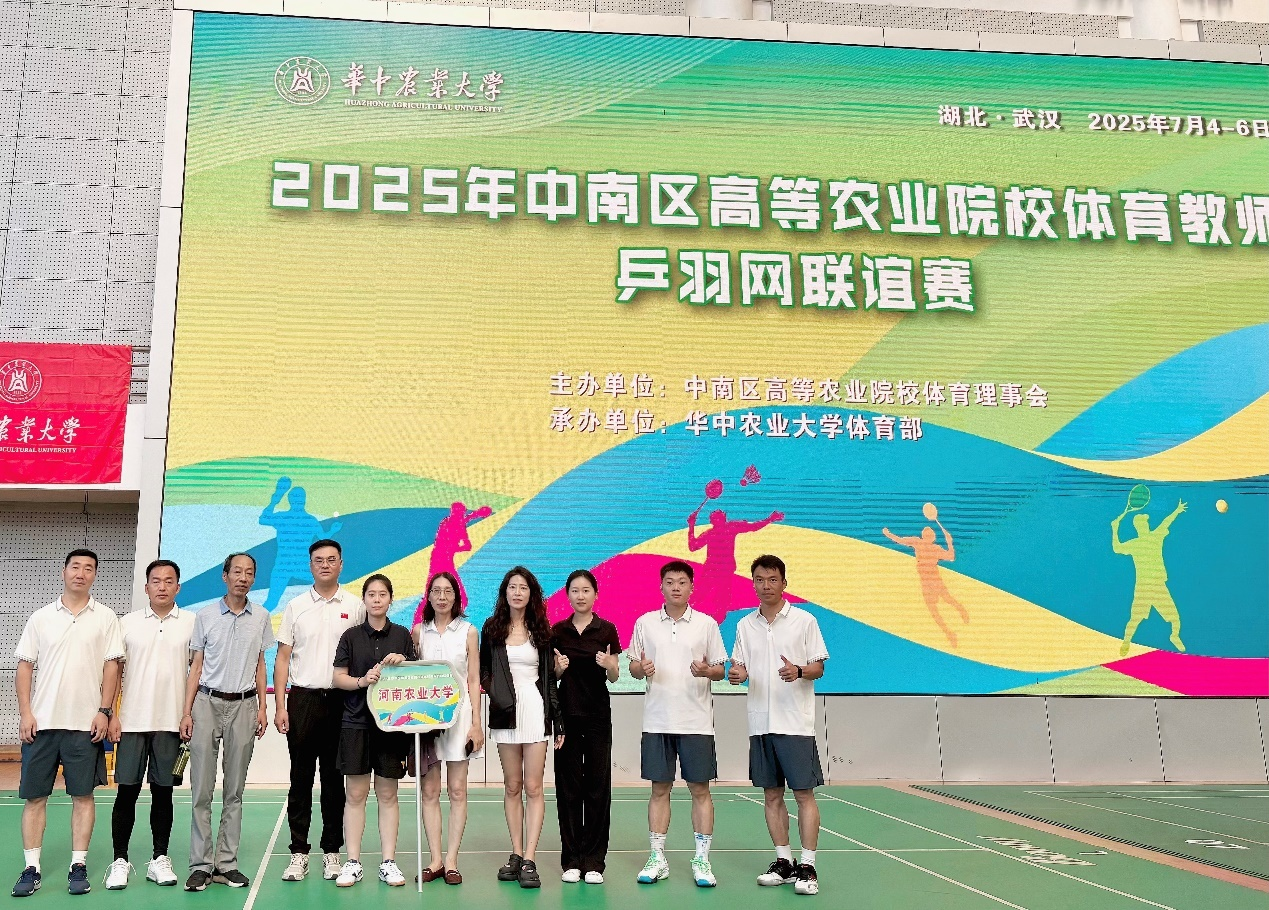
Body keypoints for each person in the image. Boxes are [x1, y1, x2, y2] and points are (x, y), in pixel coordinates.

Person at [12, 550, 124, 898]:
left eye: (89, 568)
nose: (81, 573)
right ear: (64, 571)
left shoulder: (106, 617)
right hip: (42, 724)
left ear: (95, 575)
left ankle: (79, 865)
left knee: (83, 796)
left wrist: (104, 711)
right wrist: (26, 713)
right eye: (75, 566)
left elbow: (112, 667)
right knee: (35, 798)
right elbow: (25, 666)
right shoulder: (41, 617)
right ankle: (31, 868)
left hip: (86, 725)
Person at [728, 555, 829, 896]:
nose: (766, 585)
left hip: (795, 722)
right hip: (760, 722)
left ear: (784, 583)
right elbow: (740, 668)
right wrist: (737, 674)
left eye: (773, 579)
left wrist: (798, 671)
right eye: (760, 579)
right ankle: (784, 861)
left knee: (803, 794)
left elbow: (818, 668)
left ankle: (808, 865)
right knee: (771, 794)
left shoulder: (804, 621)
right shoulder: (745, 625)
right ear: (753, 584)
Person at [627, 560, 727, 888]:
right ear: (661, 587)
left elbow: (720, 670)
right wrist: (641, 669)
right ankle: (657, 858)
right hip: (657, 720)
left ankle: (702, 860)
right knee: (659, 789)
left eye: (682, 582)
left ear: (691, 587)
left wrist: (707, 671)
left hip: (696, 722)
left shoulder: (707, 624)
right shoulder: (644, 623)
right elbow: (634, 668)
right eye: (669, 582)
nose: (675, 587)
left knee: (700, 790)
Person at [275, 539, 365, 883]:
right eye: (318, 560)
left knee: (333, 780)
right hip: (303, 701)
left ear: (341, 564)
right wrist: (280, 705)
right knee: (300, 779)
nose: (325, 565)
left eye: (331, 560)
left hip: (343, 703)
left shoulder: (356, 607)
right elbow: (283, 658)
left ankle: (332, 852)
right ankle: (298, 852)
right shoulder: (295, 606)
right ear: (310, 565)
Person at [181, 553, 272, 892]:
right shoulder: (205, 616)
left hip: (245, 706)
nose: (243, 578)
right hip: (206, 703)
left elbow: (261, 665)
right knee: (201, 790)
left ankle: (226, 864)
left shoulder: (261, 616)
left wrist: (263, 707)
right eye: (237, 572)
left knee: (234, 791)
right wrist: (186, 712)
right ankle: (201, 865)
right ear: (225, 576)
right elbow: (196, 667)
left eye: (249, 573)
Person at [105, 559, 196, 890]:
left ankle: (160, 858)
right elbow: (115, 672)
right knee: (126, 792)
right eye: (156, 581)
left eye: (169, 581)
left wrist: (188, 713)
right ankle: (120, 861)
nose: (162, 586)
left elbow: (197, 673)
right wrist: (112, 714)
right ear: (146, 587)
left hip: (171, 724)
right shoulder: (127, 623)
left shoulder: (191, 623)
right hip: (131, 723)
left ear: (178, 587)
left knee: (163, 793)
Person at [331, 574, 422, 888]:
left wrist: (404, 661)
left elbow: (414, 679)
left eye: (383, 594)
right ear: (364, 599)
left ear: (390, 599)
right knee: (355, 795)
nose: (377, 599)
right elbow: (338, 678)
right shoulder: (350, 636)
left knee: (387, 794)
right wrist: (362, 681)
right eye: (371, 594)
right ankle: (353, 862)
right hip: (356, 723)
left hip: (391, 727)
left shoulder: (402, 636)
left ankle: (388, 863)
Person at [479, 567, 564, 890]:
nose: (517, 592)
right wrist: (496, 692)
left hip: (535, 710)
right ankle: (515, 853)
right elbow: (484, 669)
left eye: (523, 588)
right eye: (512, 587)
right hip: (505, 713)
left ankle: (530, 858)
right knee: (512, 786)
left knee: (534, 787)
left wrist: (558, 720)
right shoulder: (492, 629)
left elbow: (549, 681)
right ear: (505, 592)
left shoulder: (542, 630)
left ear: (532, 594)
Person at [550, 570, 621, 885]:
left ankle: (594, 862)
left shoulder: (607, 630)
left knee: (597, 788)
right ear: (567, 595)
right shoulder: (557, 631)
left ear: (595, 594)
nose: (580, 595)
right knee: (568, 789)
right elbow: (551, 677)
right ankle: (571, 860)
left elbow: (615, 676)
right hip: (565, 719)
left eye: (586, 590)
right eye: (575, 590)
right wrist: (557, 669)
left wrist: (610, 666)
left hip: (597, 718)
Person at [413, 572, 483, 885]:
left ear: (456, 597)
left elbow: (473, 680)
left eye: (448, 591)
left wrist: (476, 724)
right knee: (429, 790)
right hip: (427, 721)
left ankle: (452, 860)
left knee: (457, 790)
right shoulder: (419, 632)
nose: (442, 597)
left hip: (460, 718)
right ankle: (435, 860)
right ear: (428, 597)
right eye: (436, 591)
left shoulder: (468, 631)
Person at [1112, 498, 1187, 656]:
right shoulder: (1135, 543)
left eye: (1146, 523)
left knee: (1175, 618)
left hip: (1159, 585)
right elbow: (1117, 548)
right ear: (1138, 527)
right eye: (1142, 524)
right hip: (1144, 587)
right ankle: (1126, 642)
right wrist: (1114, 529)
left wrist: (1177, 511)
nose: (1145, 525)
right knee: (1135, 619)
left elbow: (1166, 522)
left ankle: (1174, 636)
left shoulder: (1155, 536)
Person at [882, 516, 968, 647]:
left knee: (942, 604)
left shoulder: (929, 546)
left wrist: (888, 534)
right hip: (928, 582)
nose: (927, 535)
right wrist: (949, 542)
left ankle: (957, 617)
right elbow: (951, 556)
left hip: (933, 581)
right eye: (926, 533)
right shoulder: (924, 544)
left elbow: (951, 557)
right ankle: (951, 629)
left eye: (928, 534)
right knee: (939, 606)